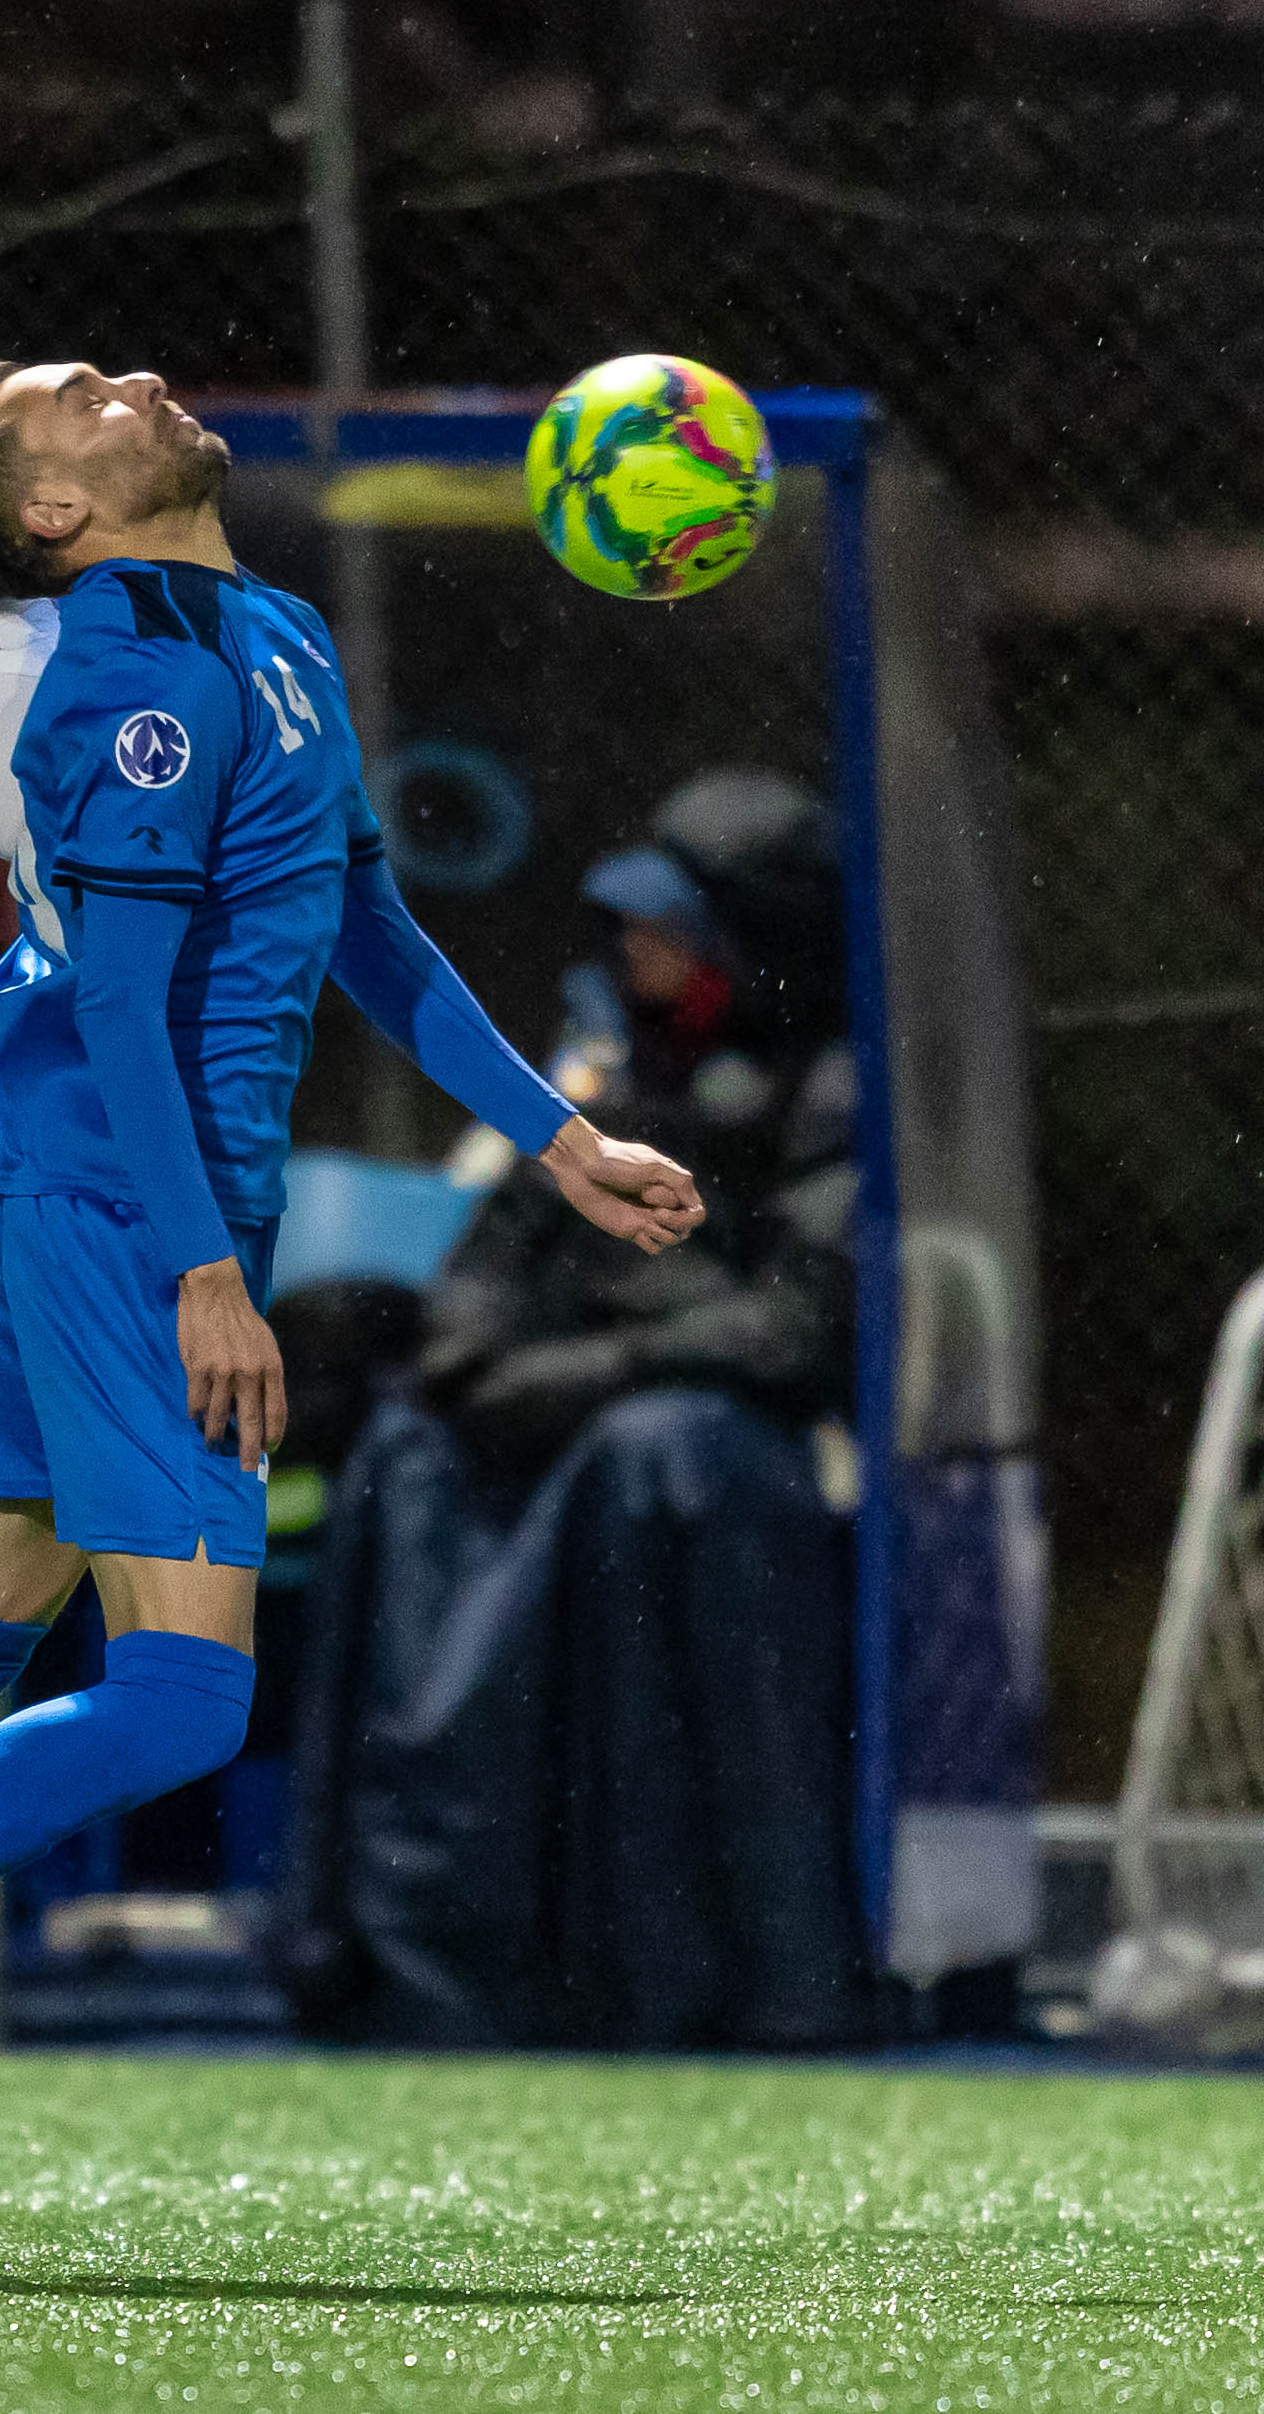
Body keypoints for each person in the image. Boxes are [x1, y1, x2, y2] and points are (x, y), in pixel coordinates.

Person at [0, 356, 704, 2166]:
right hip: (126, 1205)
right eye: (64, 399)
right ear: (54, 512)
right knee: (181, 1696)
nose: (122, 377)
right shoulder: (131, 674)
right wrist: (200, 1271)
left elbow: (368, 930)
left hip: (122, 1205)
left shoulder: (276, 630)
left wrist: (564, 1140)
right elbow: (127, 1003)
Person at [285, 767, 875, 2051]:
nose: (635, 947)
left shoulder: (830, 1087)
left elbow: (799, 1329)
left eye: (672, 925)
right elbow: (479, 1280)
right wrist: (490, 1368)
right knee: (409, 1446)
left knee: (657, 1453)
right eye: (629, 922)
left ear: (747, 938)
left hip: (718, 1436)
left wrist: (585, 1376)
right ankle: (424, 1963)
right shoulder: (599, 1071)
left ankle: (673, 1970)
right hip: (564, 1411)